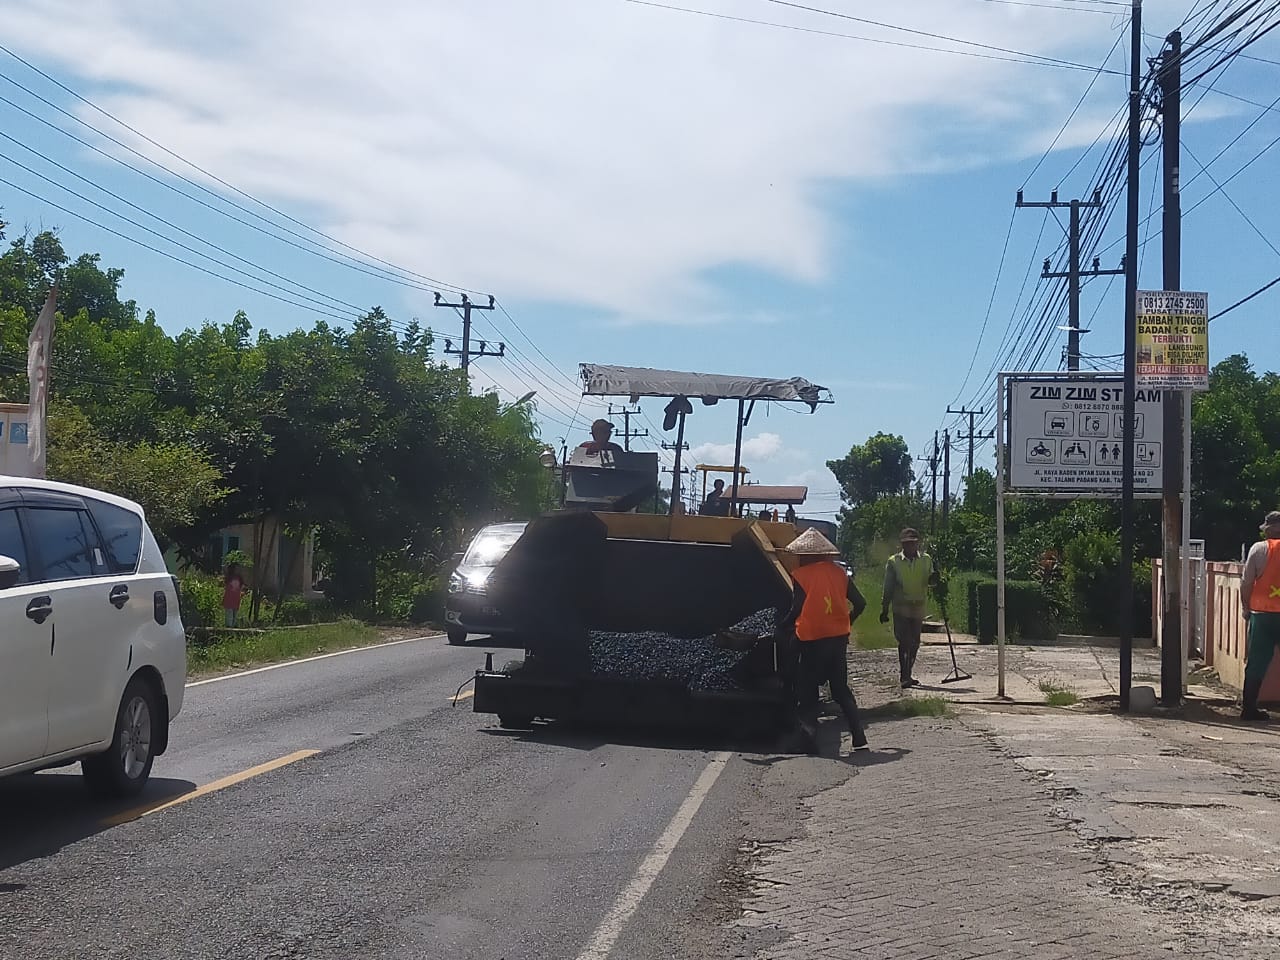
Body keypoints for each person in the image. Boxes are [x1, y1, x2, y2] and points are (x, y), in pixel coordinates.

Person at [784, 528, 869, 753]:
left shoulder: (802, 575)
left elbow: (796, 608)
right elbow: (861, 603)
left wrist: (782, 625)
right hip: (838, 639)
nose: (799, 559)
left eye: (801, 556)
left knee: (808, 688)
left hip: (812, 639)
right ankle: (858, 734)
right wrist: (845, 622)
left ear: (809, 556)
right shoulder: (840, 574)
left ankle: (808, 739)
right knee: (840, 689)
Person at [880, 527, 939, 689]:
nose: (910, 546)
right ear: (902, 545)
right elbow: (888, 587)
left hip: (918, 606)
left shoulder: (926, 559)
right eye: (906, 544)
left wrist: (935, 579)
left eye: (912, 543)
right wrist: (884, 608)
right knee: (904, 641)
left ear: (917, 543)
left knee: (915, 643)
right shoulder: (894, 562)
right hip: (900, 607)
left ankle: (908, 673)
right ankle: (904, 675)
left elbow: (931, 580)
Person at [1240, 510, 1280, 721]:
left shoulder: (1258, 549)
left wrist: (1246, 607)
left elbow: (1247, 582)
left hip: (1262, 615)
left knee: (1256, 662)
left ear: (1268, 531)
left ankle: (1248, 708)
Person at [222, 563, 245, 628]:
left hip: (236, 599)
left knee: (235, 614)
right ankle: (229, 627)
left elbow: (242, 586)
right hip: (229, 598)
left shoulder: (239, 578)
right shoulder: (229, 577)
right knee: (229, 614)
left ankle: (234, 627)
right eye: (236, 568)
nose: (238, 570)